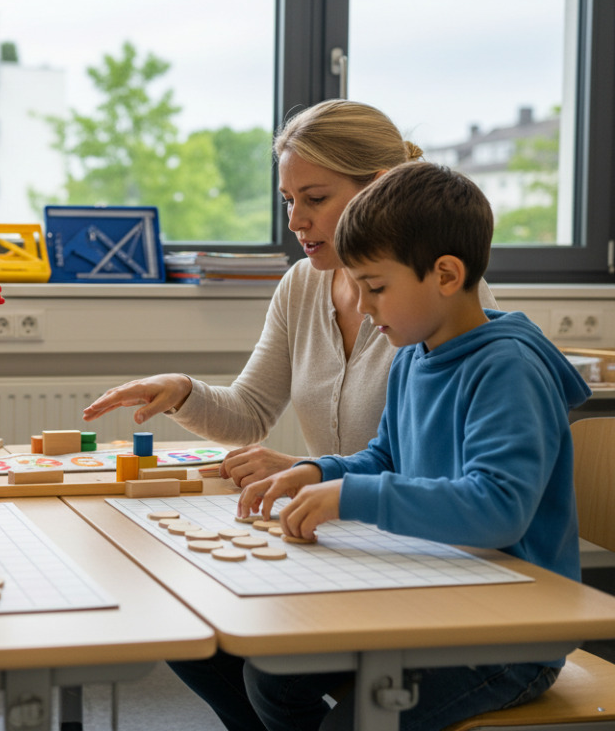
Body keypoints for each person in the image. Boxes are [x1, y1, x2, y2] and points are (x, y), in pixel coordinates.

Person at [223, 162, 588, 730]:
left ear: (445, 275)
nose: (365, 309)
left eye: (376, 288)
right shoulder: (413, 356)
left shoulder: (507, 369)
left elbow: (497, 510)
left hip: (510, 636)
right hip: (435, 595)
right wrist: (320, 471)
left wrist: (354, 496)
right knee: (272, 676)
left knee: (359, 721)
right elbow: (387, 457)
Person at [82, 100, 496, 487]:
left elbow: (451, 474)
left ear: (378, 188)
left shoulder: (438, 295)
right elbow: (250, 414)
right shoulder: (301, 284)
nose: (296, 220)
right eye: (288, 200)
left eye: (315, 198)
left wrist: (310, 472)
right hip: (346, 526)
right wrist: (182, 391)